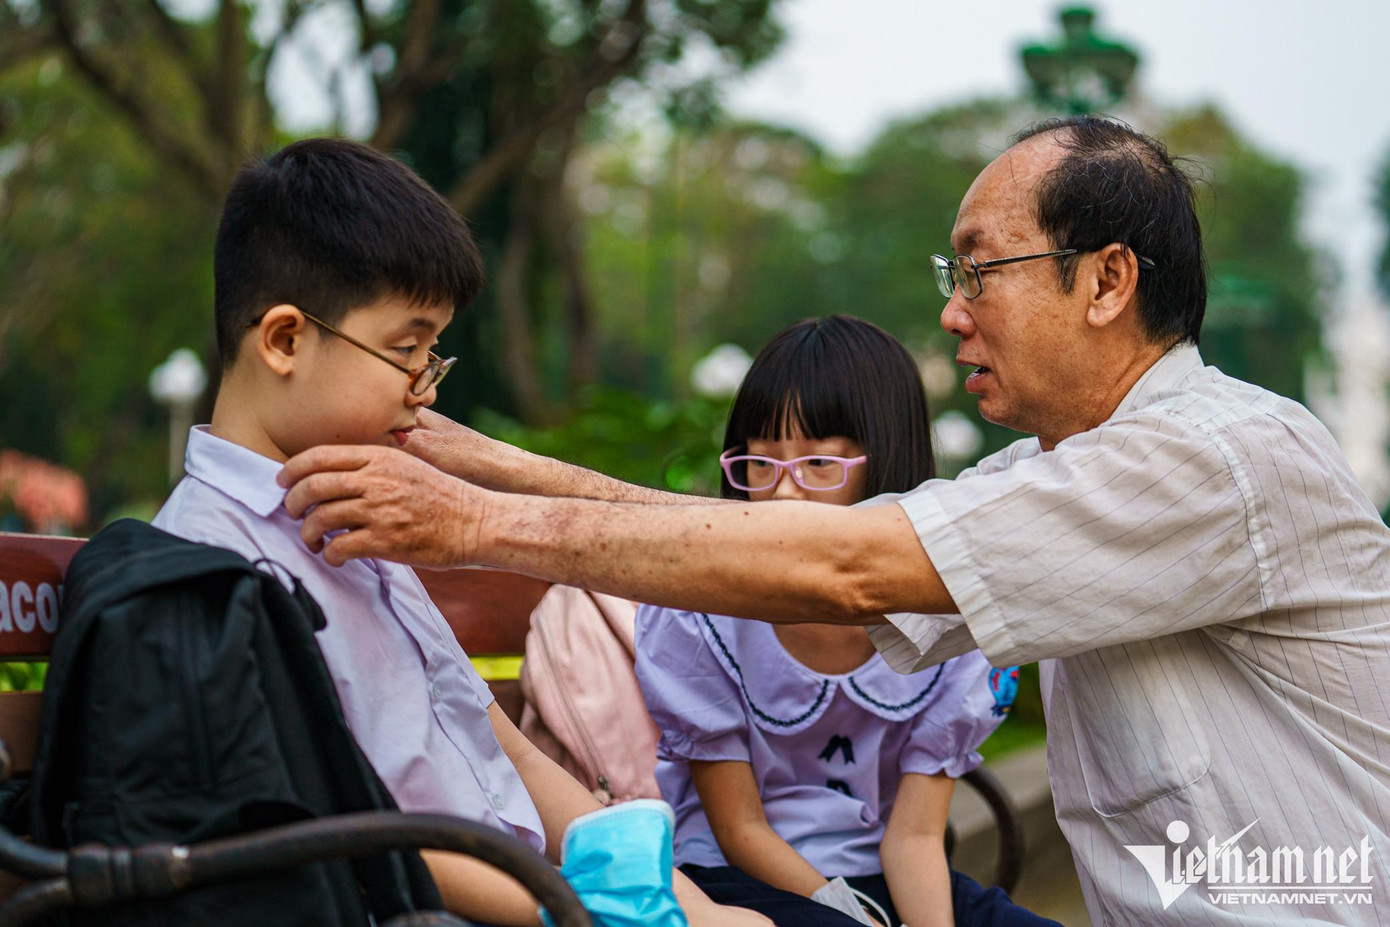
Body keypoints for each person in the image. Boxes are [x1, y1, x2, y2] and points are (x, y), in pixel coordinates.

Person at [277, 117, 1390, 925]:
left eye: (981, 272)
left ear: (1106, 282)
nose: (951, 312)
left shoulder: (1209, 460)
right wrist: (496, 467)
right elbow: (787, 542)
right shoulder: (1068, 473)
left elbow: (841, 566)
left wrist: (470, 520)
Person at [152, 137, 768, 927]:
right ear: (284, 340)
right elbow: (340, 839)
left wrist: (682, 903)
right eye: (406, 349)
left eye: (432, 353)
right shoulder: (213, 566)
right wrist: (580, 912)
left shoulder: (357, 524)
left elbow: (500, 741)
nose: (425, 389)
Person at [635, 315, 1056, 927]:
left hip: (883, 871)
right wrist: (847, 910)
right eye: (759, 465)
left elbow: (914, 839)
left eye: (818, 466)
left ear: (886, 464)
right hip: (735, 879)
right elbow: (741, 829)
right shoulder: (704, 618)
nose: (782, 495)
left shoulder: (949, 624)